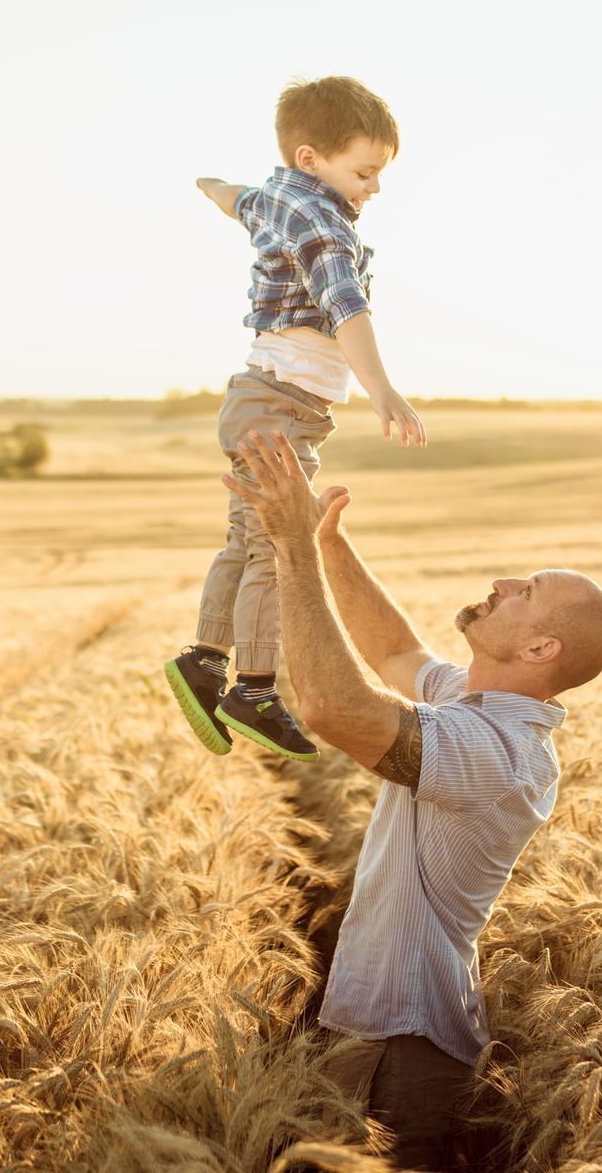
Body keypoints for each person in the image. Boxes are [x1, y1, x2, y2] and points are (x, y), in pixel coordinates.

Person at [224, 427, 602, 1168]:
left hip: (401, 1042)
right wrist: (327, 541)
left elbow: (332, 707)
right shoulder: (478, 703)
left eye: (525, 592)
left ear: (540, 651)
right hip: (381, 1025)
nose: (502, 582)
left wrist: (293, 549)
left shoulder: (498, 754)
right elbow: (394, 654)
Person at [165, 75, 428, 764]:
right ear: (312, 158)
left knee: (246, 538)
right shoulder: (320, 221)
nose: (373, 187)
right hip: (280, 407)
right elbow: (346, 307)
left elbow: (234, 199)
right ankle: (251, 687)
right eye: (364, 171)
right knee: (278, 545)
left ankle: (204, 661)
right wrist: (382, 391)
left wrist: (206, 182)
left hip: (266, 399)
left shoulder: (278, 195)